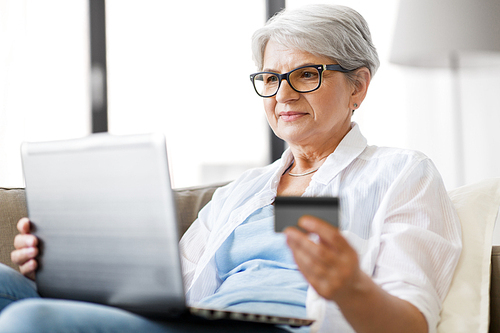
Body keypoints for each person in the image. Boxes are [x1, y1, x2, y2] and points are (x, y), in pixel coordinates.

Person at [0, 4, 461, 333]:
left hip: (285, 326)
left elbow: (411, 324)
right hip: (197, 320)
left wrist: (350, 286)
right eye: (270, 79)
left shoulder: (401, 173)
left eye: (306, 74)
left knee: (27, 321)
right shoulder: (243, 192)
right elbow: (164, 292)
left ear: (358, 85)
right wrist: (63, 270)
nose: (282, 96)